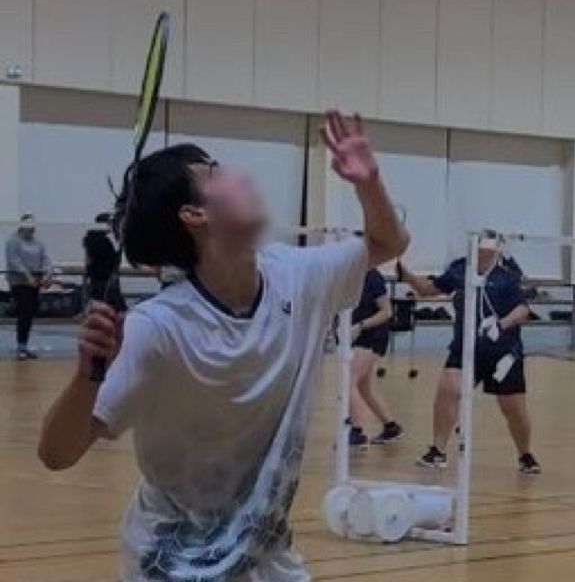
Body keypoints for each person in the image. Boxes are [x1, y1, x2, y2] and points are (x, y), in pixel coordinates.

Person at [38, 110, 410, 582]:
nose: (240, 176)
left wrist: (368, 183)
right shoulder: (160, 329)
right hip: (171, 564)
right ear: (195, 215)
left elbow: (389, 243)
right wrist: (86, 377)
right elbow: (58, 453)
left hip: (264, 556)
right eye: (214, 172)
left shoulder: (298, 276)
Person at [399, 229, 541, 474]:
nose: (482, 253)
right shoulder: (459, 269)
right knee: (448, 389)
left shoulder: (507, 276)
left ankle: (525, 454)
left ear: (495, 251)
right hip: (465, 348)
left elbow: (523, 310)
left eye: (487, 250)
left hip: (503, 352)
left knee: (513, 409)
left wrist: (501, 325)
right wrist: (407, 275)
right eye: (479, 249)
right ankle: (438, 451)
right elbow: (429, 289)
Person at [349, 267, 403, 447]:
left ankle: (357, 432)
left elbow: (387, 312)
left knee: (349, 380)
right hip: (358, 337)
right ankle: (391, 426)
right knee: (365, 388)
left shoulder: (372, 276)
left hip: (373, 336)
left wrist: (361, 326)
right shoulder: (349, 275)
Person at [5, 214, 52, 360]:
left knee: (30, 313)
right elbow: (15, 262)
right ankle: (21, 347)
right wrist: (27, 276)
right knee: (23, 313)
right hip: (19, 283)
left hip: (35, 282)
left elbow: (45, 259)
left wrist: (47, 274)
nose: (32, 230)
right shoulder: (13, 241)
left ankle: (24, 345)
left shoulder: (38, 243)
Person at [82, 213, 125, 309]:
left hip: (95, 279)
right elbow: (112, 260)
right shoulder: (103, 241)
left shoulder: (90, 239)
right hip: (104, 279)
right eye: (109, 223)